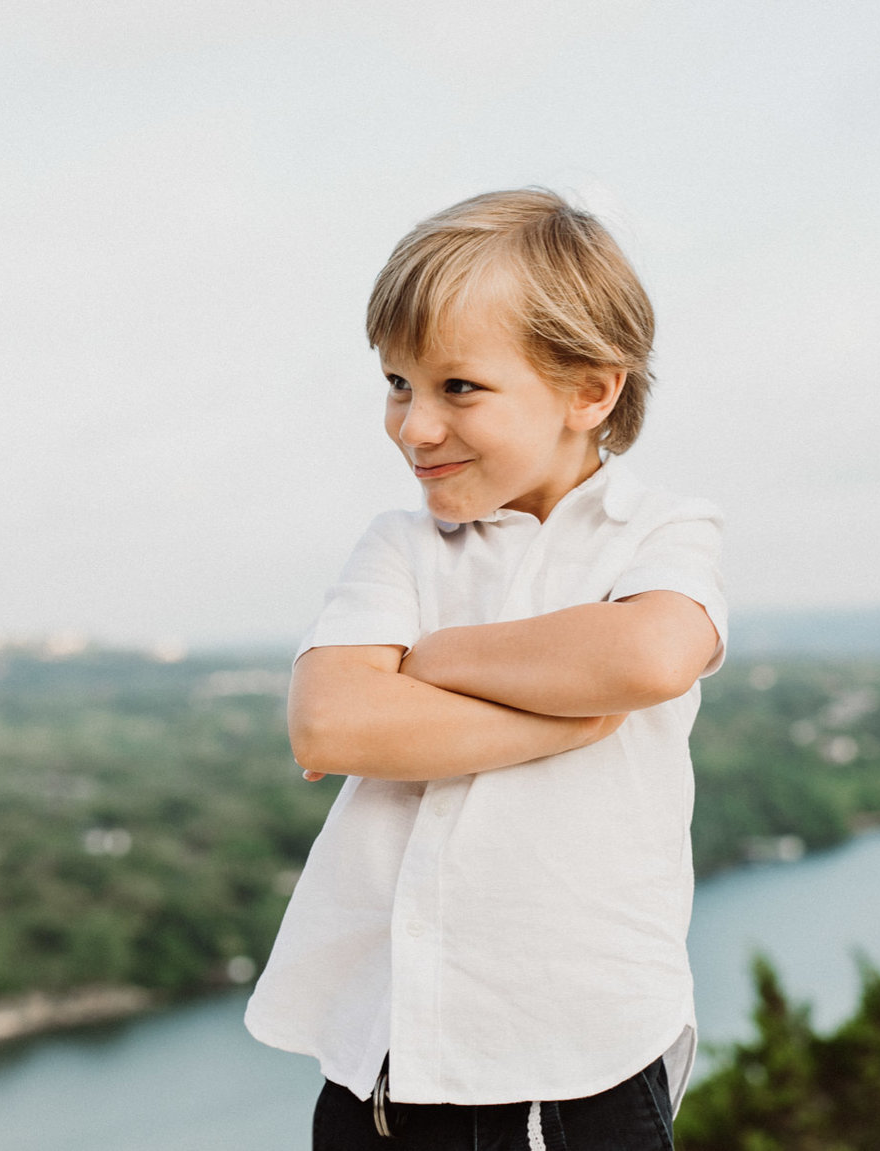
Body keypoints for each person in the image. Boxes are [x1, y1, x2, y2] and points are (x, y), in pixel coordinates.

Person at [244, 189, 725, 1151]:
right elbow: (331, 724)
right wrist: (565, 717)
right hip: (382, 1067)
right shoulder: (400, 545)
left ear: (592, 390)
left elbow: (650, 652)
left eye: (458, 388)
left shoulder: (661, 533)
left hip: (574, 1069)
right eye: (397, 383)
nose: (413, 427)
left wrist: (436, 660)